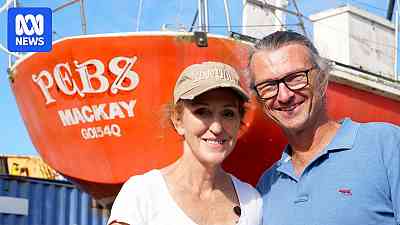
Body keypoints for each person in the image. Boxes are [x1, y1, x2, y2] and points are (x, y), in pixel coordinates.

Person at [248, 31, 400, 225]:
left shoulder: (385, 145)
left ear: (322, 79)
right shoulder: (268, 185)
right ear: (259, 99)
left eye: (295, 77)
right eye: (268, 86)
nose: (284, 96)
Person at [108, 61, 263, 225]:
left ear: (240, 122)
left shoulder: (252, 201)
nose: (217, 127)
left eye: (228, 113)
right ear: (178, 120)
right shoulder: (142, 194)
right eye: (202, 111)